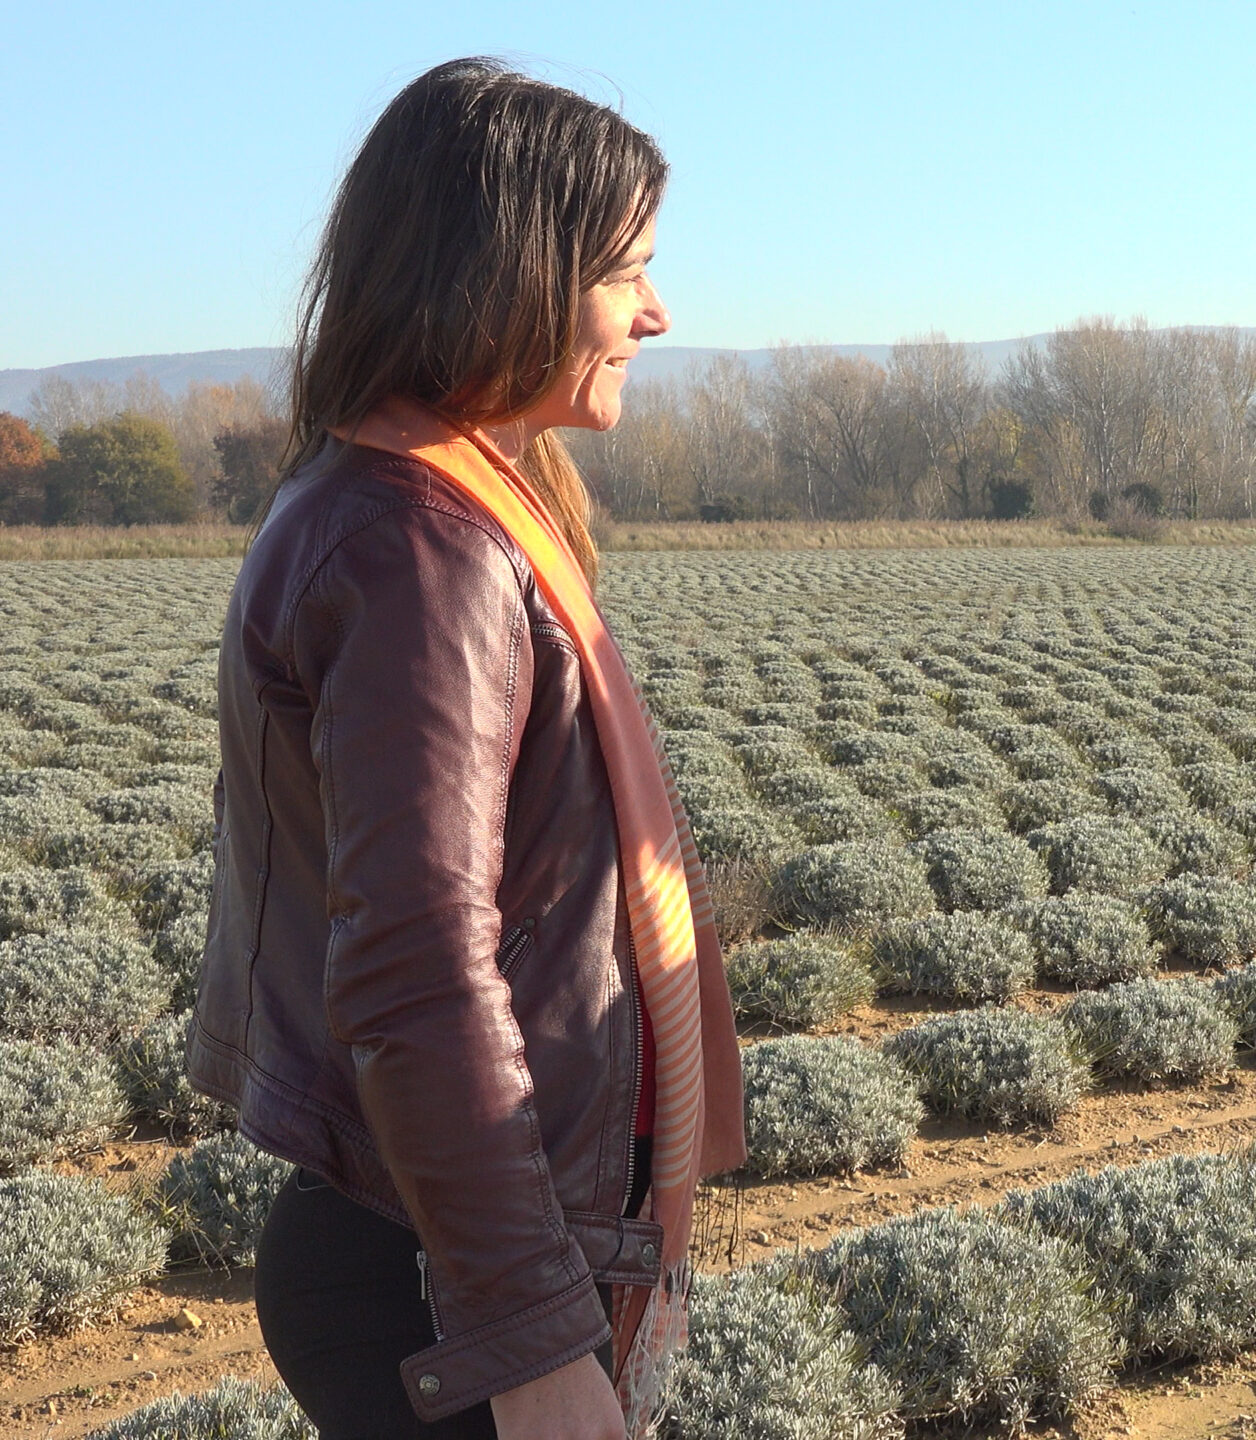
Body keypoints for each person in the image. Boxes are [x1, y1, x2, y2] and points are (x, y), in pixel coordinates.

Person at [189, 59, 745, 1440]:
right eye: (628, 274)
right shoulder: (415, 546)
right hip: (446, 1288)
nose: (657, 314)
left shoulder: (413, 499)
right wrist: (532, 1341)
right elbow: (421, 969)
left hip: (441, 1256)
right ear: (516, 269)